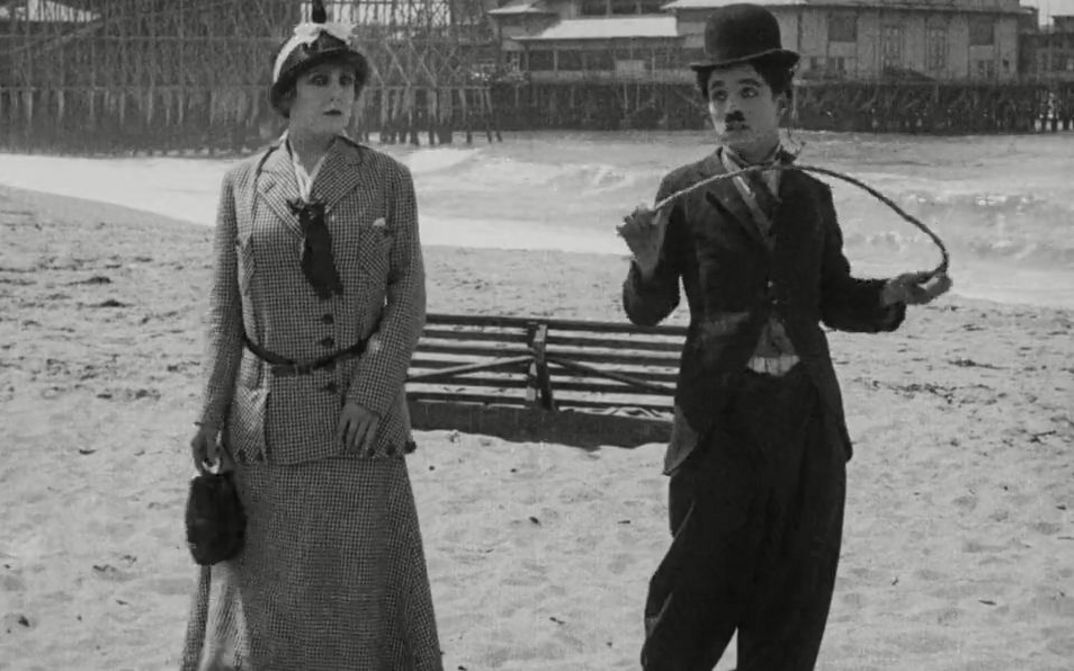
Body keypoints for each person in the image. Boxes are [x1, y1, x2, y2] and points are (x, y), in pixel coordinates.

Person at [616, 4, 951, 670]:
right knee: (690, 605)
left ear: (782, 100)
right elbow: (646, 309)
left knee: (791, 613)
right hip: (719, 427)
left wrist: (888, 295)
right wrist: (648, 260)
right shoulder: (680, 192)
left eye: (748, 92)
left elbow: (832, 297)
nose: (732, 108)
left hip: (807, 429)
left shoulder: (811, 197)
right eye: (718, 95)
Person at [181, 3, 442, 669]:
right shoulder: (241, 184)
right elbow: (222, 308)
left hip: (358, 420)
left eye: (348, 84)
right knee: (269, 607)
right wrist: (210, 410)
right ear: (287, 94)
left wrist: (374, 393)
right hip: (264, 426)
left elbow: (408, 292)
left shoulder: (388, 178)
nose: (339, 95)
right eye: (322, 81)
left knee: (356, 602)